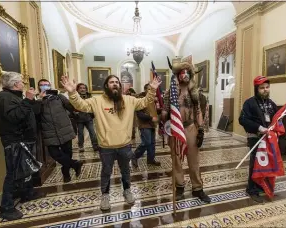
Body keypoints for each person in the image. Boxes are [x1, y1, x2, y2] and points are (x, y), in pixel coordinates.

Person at [61, 74, 161, 210]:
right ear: (106, 86)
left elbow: (145, 101)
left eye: (117, 82)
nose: (115, 84)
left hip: (124, 145)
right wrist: (72, 92)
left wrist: (152, 89)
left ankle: (127, 190)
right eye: (111, 82)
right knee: (106, 171)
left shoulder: (129, 100)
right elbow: (81, 105)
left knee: (126, 170)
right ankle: (105, 195)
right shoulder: (97, 101)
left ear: (120, 86)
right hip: (106, 147)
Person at [0, 72, 44, 220]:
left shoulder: (14, 96)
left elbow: (28, 113)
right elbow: (15, 117)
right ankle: (6, 207)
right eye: (22, 82)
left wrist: (33, 100)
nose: (23, 84)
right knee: (13, 174)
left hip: (24, 140)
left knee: (25, 170)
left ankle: (27, 193)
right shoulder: (3, 98)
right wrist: (27, 100)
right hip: (14, 141)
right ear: (15, 84)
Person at [161, 62, 211, 203]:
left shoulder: (194, 92)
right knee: (176, 160)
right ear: (177, 75)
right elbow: (164, 113)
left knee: (194, 160)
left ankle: (198, 189)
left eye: (187, 72)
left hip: (190, 128)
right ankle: (180, 187)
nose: (185, 75)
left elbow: (198, 111)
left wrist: (200, 130)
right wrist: (162, 115)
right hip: (175, 129)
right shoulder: (170, 92)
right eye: (182, 72)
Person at [239, 76, 278, 203]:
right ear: (256, 89)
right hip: (255, 138)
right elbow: (243, 120)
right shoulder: (249, 103)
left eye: (267, 87)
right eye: (262, 88)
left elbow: (277, 120)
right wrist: (259, 128)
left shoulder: (271, 104)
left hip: (268, 139)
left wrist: (275, 132)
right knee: (255, 164)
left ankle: (262, 185)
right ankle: (252, 189)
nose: (265, 90)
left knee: (266, 163)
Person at [36, 79, 83, 183]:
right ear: (38, 87)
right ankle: (75, 164)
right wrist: (40, 99)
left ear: (50, 85)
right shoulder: (36, 99)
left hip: (65, 130)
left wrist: (73, 93)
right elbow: (35, 113)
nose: (44, 86)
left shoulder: (59, 97)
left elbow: (72, 107)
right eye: (42, 85)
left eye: (46, 84)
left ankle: (66, 174)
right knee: (55, 154)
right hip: (49, 132)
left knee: (67, 153)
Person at [132, 83, 161, 167]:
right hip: (144, 125)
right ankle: (134, 156)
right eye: (149, 89)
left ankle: (151, 159)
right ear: (145, 90)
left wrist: (161, 111)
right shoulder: (141, 99)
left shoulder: (152, 100)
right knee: (146, 143)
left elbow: (153, 111)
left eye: (152, 89)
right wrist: (151, 118)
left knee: (152, 143)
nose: (151, 91)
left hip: (152, 124)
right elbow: (139, 114)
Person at [76, 83, 99, 152]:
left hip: (88, 118)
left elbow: (93, 106)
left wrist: (93, 115)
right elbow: (72, 106)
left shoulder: (90, 96)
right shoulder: (76, 97)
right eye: (81, 88)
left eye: (84, 88)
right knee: (80, 133)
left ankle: (95, 146)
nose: (83, 89)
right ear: (78, 89)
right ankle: (81, 146)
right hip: (79, 118)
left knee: (92, 132)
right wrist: (74, 114)